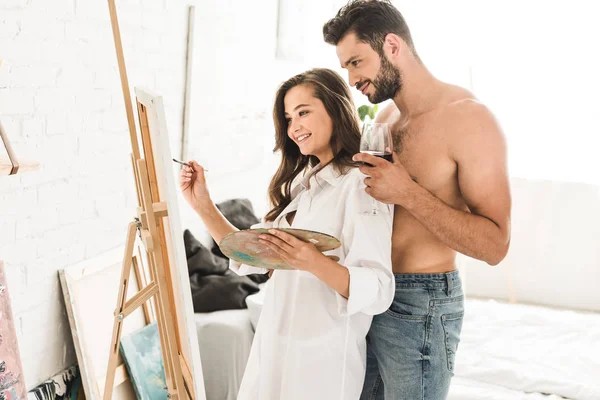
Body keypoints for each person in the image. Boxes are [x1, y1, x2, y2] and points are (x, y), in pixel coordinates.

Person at [323, 1, 512, 399]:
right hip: (369, 291)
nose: (352, 78)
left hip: (421, 304)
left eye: (357, 62)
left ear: (392, 45)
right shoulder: (383, 121)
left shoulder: (469, 119)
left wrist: (408, 193)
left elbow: (495, 246)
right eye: (347, 67)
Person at [179, 68, 395, 400]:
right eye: (288, 117)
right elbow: (252, 254)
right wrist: (203, 205)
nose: (294, 127)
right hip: (275, 344)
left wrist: (311, 262)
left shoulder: (361, 185)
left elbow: (379, 288)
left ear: (336, 108)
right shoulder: (302, 185)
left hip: (321, 362)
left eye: (303, 112)